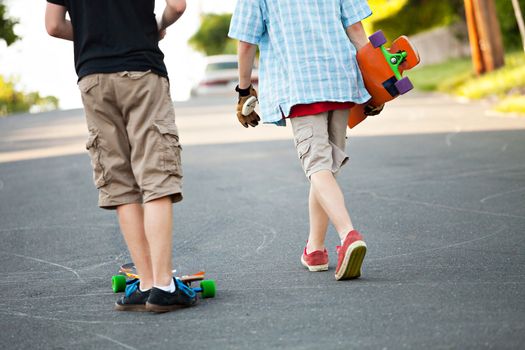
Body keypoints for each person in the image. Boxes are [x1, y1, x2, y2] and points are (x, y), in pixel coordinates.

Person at [45, 0, 196, 312]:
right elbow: (177, 6)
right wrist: (154, 27)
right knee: (156, 174)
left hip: (93, 77)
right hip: (142, 70)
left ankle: (145, 281)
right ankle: (165, 285)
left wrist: (95, 32)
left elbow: (54, 26)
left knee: (120, 180)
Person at [229, 0, 382, 280]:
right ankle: (315, 248)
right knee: (326, 168)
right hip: (340, 78)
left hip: (300, 83)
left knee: (318, 166)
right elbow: (356, 29)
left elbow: (247, 41)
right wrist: (375, 79)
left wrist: (243, 89)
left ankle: (348, 235)